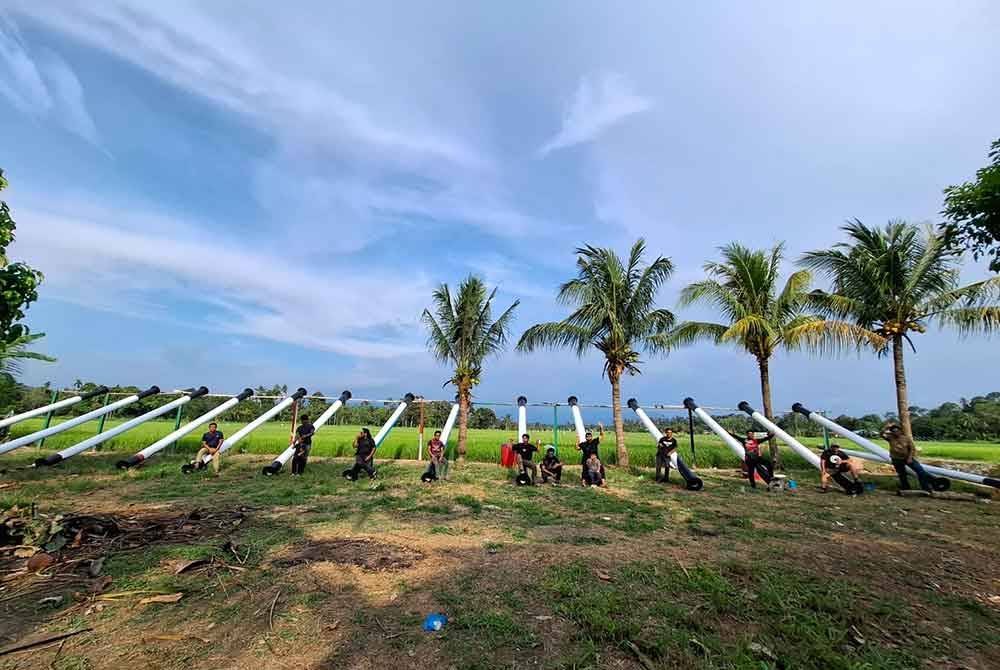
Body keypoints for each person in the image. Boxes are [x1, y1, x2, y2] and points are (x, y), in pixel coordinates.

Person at [881, 423, 933, 492]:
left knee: (920, 471)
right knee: (902, 474)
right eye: (893, 431)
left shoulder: (906, 438)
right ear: (892, 432)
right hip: (896, 459)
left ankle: (925, 487)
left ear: (900, 431)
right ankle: (906, 488)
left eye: (897, 430)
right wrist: (886, 427)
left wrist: (909, 458)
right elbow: (881, 434)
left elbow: (912, 448)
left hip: (907, 458)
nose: (895, 432)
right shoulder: (890, 438)